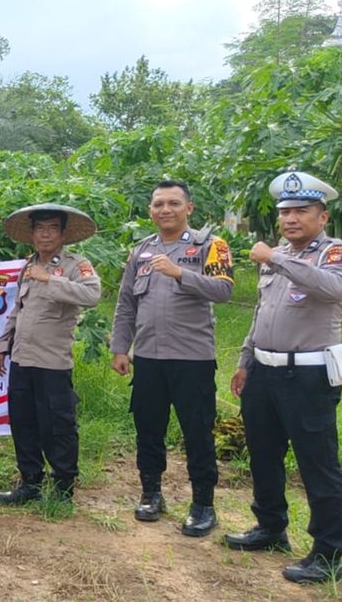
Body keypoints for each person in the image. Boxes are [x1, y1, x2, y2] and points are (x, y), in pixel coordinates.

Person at [224, 171, 342, 583]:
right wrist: (244, 360)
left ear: (322, 216)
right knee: (263, 454)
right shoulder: (273, 255)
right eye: (285, 212)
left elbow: (333, 290)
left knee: (318, 464)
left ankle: (330, 551)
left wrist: (275, 258)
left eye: (301, 211)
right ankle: (270, 527)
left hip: (309, 375)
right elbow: (262, 312)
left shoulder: (332, 253)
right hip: (264, 371)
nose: (291, 219)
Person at [110, 180, 234, 537]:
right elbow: (126, 304)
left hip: (191, 359)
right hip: (148, 357)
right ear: (150, 210)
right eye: (159, 204)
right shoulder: (141, 252)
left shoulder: (210, 245)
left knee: (197, 432)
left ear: (189, 208)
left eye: (173, 203)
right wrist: (121, 347)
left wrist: (181, 273)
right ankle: (151, 493)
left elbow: (224, 290)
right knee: (148, 429)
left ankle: (203, 504)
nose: (165, 210)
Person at [0, 204, 101, 505]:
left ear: (63, 233)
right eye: (40, 228)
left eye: (52, 227)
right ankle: (29, 483)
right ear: (32, 233)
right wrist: (3, 344)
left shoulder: (76, 265)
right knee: (23, 422)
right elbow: (19, 309)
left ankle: (63, 486)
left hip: (52, 361)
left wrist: (48, 279)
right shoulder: (27, 266)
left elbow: (92, 295)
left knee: (58, 425)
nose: (45, 234)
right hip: (22, 359)